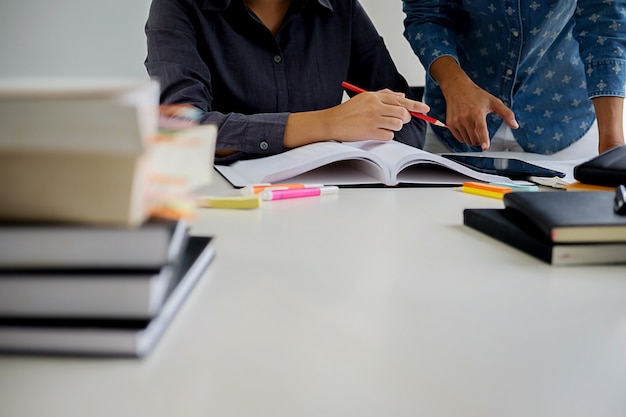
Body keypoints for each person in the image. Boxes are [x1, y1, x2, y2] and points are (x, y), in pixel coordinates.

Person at [145, 0, 429, 164]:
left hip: (335, 203)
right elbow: (183, 129)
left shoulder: (341, 7)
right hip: (224, 205)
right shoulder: (178, 6)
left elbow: (410, 121)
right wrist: (327, 124)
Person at [402, 0, 625, 159]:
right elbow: (426, 14)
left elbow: (606, 28)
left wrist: (613, 144)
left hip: (565, 121)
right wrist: (455, 85)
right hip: (455, 122)